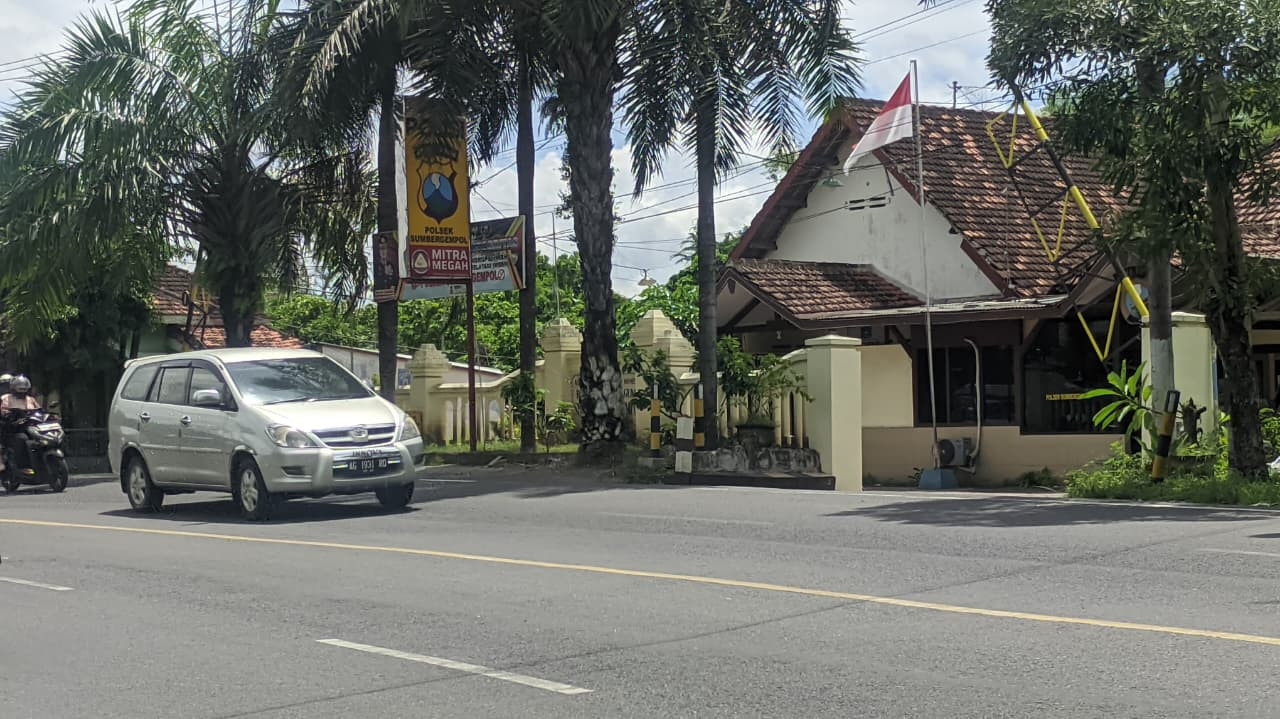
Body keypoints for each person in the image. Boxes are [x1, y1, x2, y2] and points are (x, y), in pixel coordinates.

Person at [0, 376, 39, 473]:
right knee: (22, 439)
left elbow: (39, 410)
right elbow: (4, 412)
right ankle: (23, 466)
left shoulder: (31, 399)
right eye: (20, 389)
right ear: (13, 388)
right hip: (12, 428)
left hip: (30, 426)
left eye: (24, 389)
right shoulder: (5, 398)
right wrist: (11, 416)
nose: (22, 392)